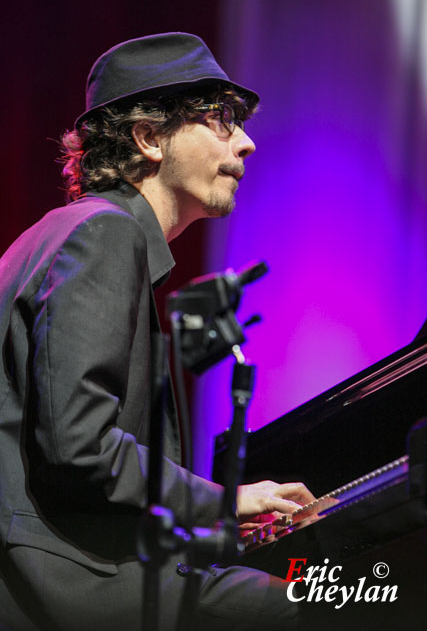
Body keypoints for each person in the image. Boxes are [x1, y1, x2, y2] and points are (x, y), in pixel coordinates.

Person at [0, 33, 314, 631]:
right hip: (75, 586)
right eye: (220, 119)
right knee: (344, 607)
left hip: (84, 567)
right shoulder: (104, 235)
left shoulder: (68, 233)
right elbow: (80, 448)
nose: (246, 142)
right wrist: (223, 500)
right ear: (148, 138)